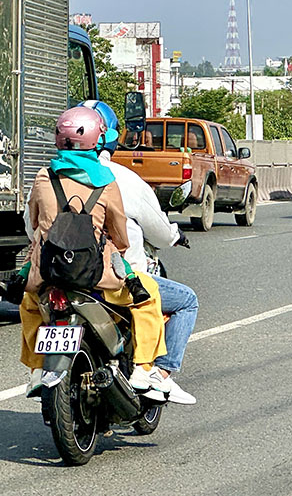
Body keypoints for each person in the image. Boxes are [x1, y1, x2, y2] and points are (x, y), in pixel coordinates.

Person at [19, 106, 167, 398]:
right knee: (147, 298)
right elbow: (120, 236)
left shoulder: (43, 177)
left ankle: (37, 369)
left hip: (51, 275)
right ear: (97, 141)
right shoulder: (106, 181)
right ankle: (142, 369)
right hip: (97, 277)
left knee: (29, 302)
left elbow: (34, 222)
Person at [78, 99, 199, 405]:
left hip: (62, 276)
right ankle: (159, 374)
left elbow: (32, 227)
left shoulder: (49, 176)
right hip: (116, 279)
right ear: (110, 138)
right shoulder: (123, 180)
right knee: (186, 301)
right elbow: (155, 231)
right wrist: (173, 234)